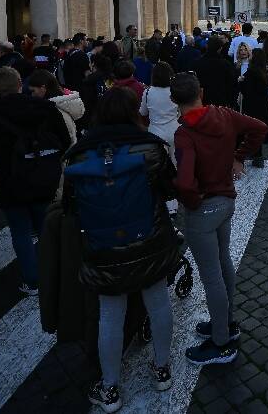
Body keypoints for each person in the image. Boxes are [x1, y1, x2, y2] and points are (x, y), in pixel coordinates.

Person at [59, 87, 179, 412]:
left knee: (110, 316)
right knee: (158, 303)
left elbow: (70, 206)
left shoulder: (78, 155)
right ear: (132, 113)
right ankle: (163, 368)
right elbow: (170, 188)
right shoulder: (152, 147)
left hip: (103, 246)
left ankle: (110, 386)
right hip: (149, 239)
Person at [171, 72, 268, 365]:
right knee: (223, 262)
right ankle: (226, 322)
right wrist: (239, 155)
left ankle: (221, 341)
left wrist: (192, 203)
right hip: (226, 200)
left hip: (203, 208)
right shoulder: (224, 114)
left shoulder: (185, 133)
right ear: (202, 91)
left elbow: (186, 183)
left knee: (211, 276)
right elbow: (260, 128)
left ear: (175, 100)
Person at [0, 67, 72, 294]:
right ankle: (54, 272)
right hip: (43, 176)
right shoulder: (46, 108)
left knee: (20, 232)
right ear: (20, 83)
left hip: (11, 180)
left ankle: (33, 280)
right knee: (44, 227)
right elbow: (65, 139)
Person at [27, 69, 85, 144]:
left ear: (43, 88)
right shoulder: (63, 104)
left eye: (33, 91)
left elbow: (68, 139)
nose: (32, 95)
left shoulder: (54, 109)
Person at [139, 62, 181, 159]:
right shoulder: (175, 90)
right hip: (174, 131)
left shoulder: (148, 92)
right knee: (175, 164)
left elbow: (142, 112)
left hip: (155, 133)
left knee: (159, 167)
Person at [239, 49, 268, 167]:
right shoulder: (263, 71)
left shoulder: (251, 72)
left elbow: (247, 91)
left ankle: (255, 155)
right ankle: (258, 155)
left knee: (252, 130)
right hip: (262, 105)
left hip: (252, 106)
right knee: (258, 129)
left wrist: (240, 82)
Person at [192, 36, 238, 109]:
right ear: (220, 48)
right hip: (220, 101)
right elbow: (231, 84)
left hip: (202, 100)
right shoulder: (226, 64)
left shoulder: (197, 63)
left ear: (207, 46)